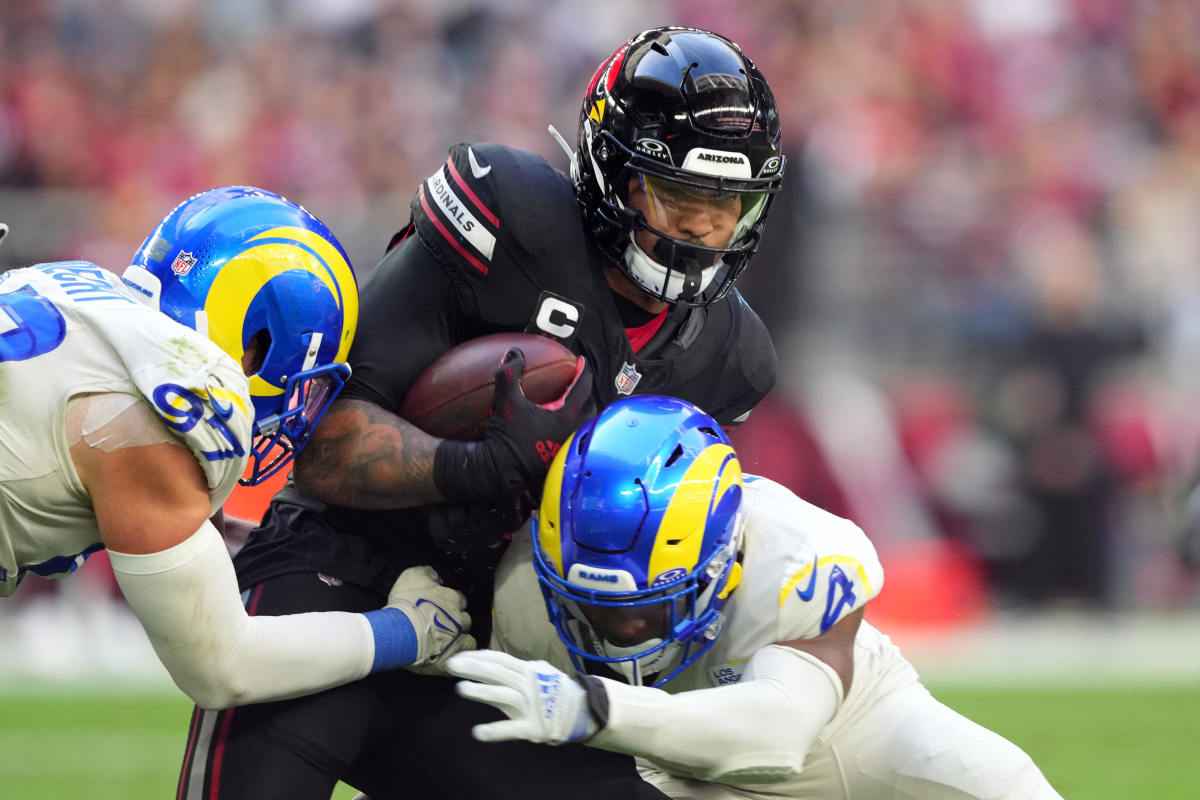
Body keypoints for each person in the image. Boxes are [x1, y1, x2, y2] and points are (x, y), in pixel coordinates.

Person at [178, 26, 784, 800]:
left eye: (725, 202)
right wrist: (475, 467)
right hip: (337, 578)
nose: (703, 227)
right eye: (678, 195)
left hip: (501, 636)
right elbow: (323, 440)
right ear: (610, 173)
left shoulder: (730, 356)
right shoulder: (512, 218)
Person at [447, 394, 1065, 799]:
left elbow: (778, 734)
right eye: (593, 606)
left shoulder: (798, 553)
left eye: (647, 606)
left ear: (724, 560)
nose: (621, 630)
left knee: (1005, 786)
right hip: (665, 770)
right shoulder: (522, 587)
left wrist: (595, 707)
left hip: (849, 725)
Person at [0, 186, 474, 711]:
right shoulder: (163, 411)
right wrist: (408, 630)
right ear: (261, 339)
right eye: (299, 376)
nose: (294, 397)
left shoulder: (71, 287)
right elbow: (222, 668)